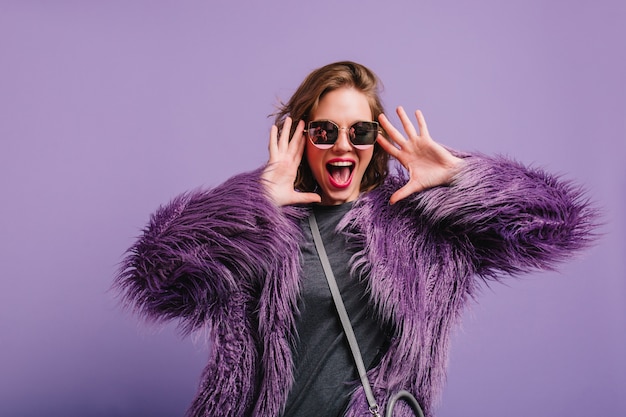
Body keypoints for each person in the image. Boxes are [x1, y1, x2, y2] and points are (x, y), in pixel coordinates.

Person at [115, 61, 596, 417]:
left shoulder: (418, 224)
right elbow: (156, 277)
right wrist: (254, 197)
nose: (343, 145)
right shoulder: (261, 224)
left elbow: (556, 226)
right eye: (325, 131)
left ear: (375, 140)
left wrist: (460, 177)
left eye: (359, 130)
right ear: (302, 137)